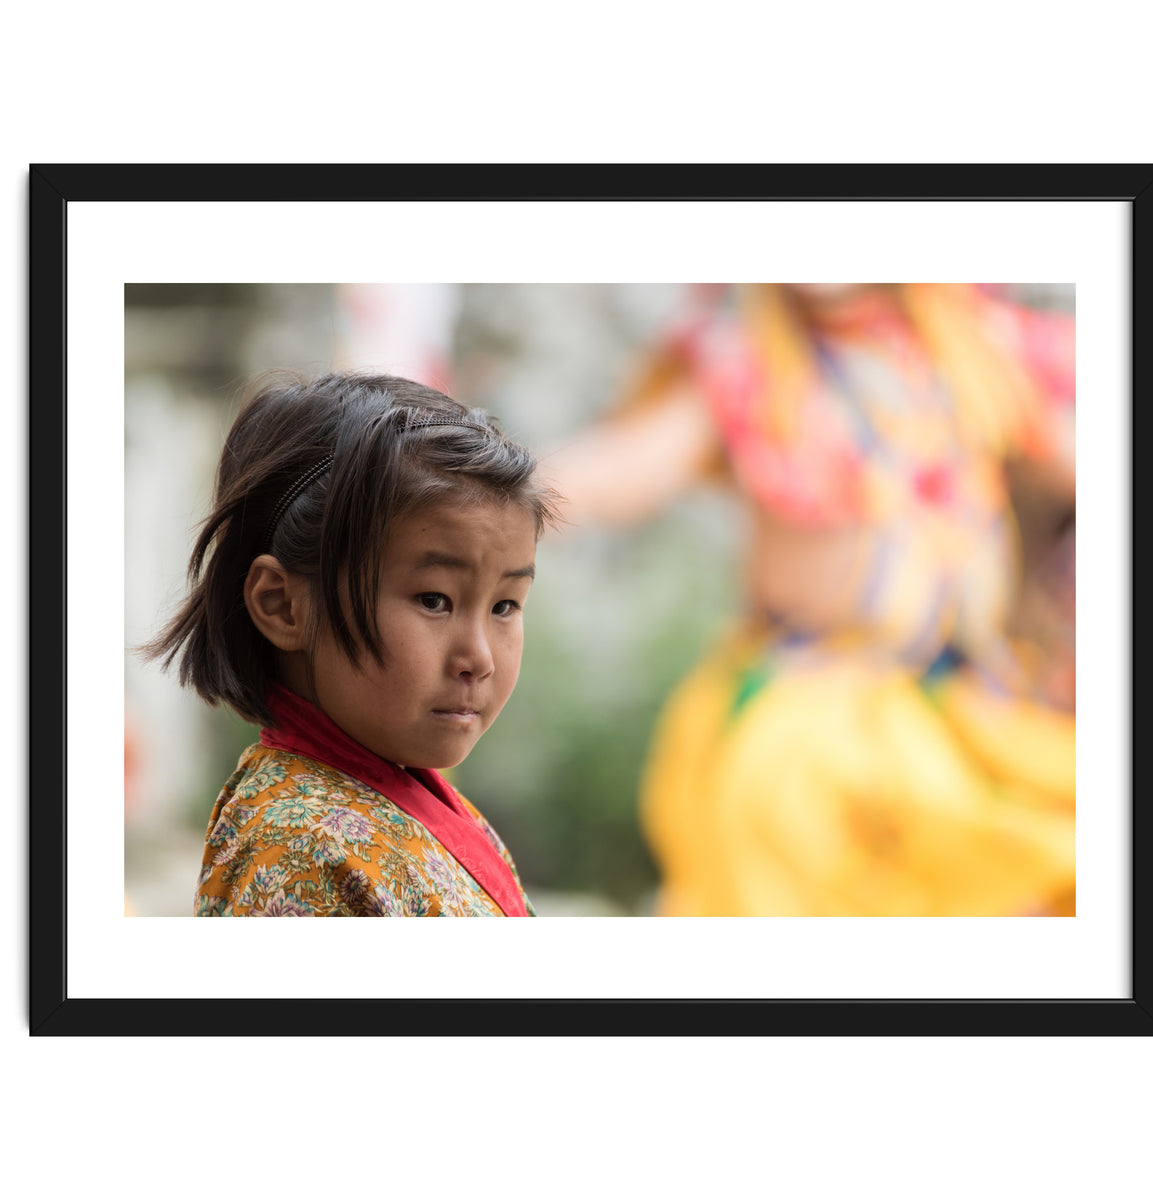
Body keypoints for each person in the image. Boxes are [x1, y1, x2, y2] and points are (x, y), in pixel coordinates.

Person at [542, 283, 1076, 917]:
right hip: (813, 716)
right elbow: (623, 470)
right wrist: (491, 493)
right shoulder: (745, 361)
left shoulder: (969, 349)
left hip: (963, 708)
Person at [143, 372, 560, 916]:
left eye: (505, 605)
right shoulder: (300, 852)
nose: (479, 658)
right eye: (434, 600)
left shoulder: (408, 798)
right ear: (282, 605)